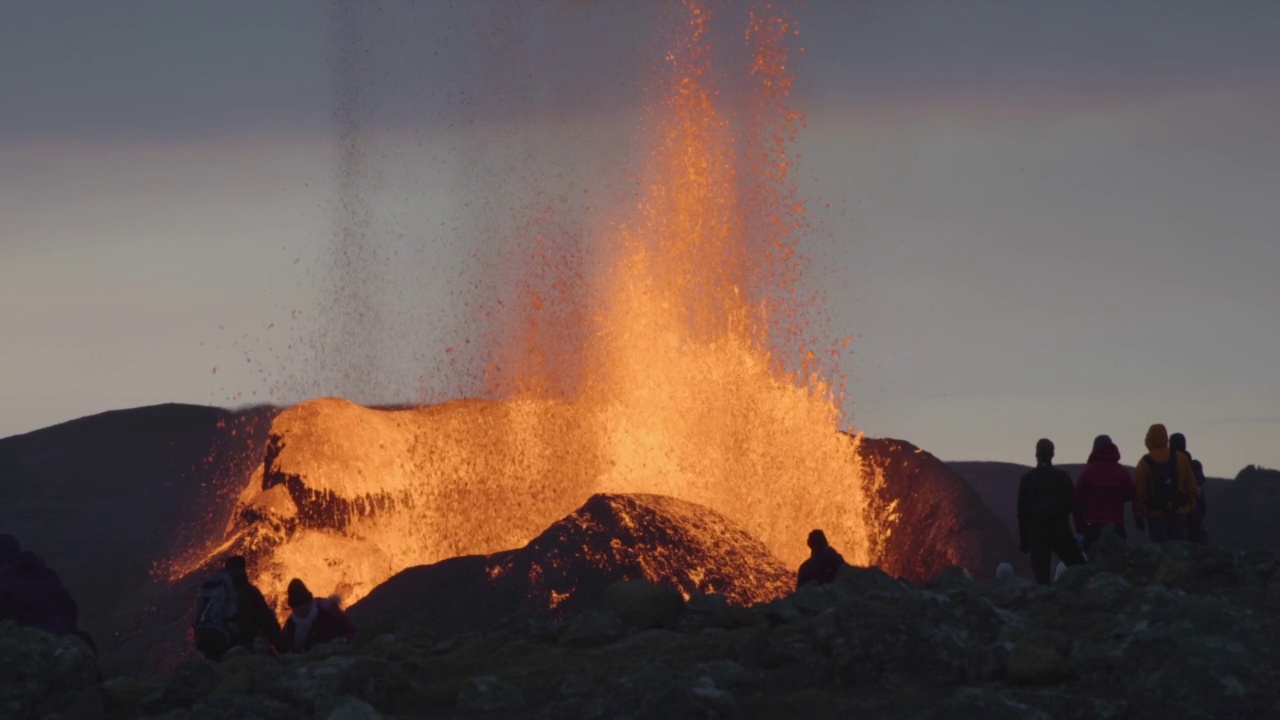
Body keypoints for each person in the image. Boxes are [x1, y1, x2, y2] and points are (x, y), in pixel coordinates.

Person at [0, 534, 96, 653]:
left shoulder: (5, 581)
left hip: (38, 651)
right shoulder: (41, 570)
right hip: (69, 643)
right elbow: (70, 606)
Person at [1017, 438, 1085, 585]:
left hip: (1037, 532)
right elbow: (1073, 504)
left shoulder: (1027, 479)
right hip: (1060, 528)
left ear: (1036, 454)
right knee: (1080, 569)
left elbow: (1022, 512)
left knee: (1042, 579)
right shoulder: (1062, 477)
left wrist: (1024, 540)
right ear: (1052, 454)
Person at [1133, 424, 1198, 544]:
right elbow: (1191, 486)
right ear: (1166, 438)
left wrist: (1138, 516)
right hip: (1178, 513)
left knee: (1160, 555)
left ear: (1148, 439)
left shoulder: (1144, 462)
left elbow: (1139, 493)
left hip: (1155, 516)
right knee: (1179, 554)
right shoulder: (1180, 458)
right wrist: (1189, 508)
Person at [1072, 434, 1136, 554]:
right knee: (1118, 564)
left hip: (1093, 527)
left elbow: (1077, 501)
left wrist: (1080, 529)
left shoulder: (1088, 471)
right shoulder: (1121, 470)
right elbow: (1130, 493)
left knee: (1093, 566)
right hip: (1116, 526)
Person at [223, 556, 283, 653]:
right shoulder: (249, 592)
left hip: (220, 651)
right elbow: (267, 620)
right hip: (246, 648)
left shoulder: (218, 594)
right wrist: (283, 648)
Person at [280, 578, 356, 653]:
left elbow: (350, 630)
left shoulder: (327, 611)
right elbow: (285, 648)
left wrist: (342, 641)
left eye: (303, 605)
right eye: (298, 607)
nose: (301, 610)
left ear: (309, 601)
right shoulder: (291, 625)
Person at [1170, 432, 1209, 544]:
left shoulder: (1164, 465)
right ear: (1185, 445)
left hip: (1173, 511)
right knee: (1198, 540)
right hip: (1194, 508)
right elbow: (1200, 483)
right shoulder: (1194, 465)